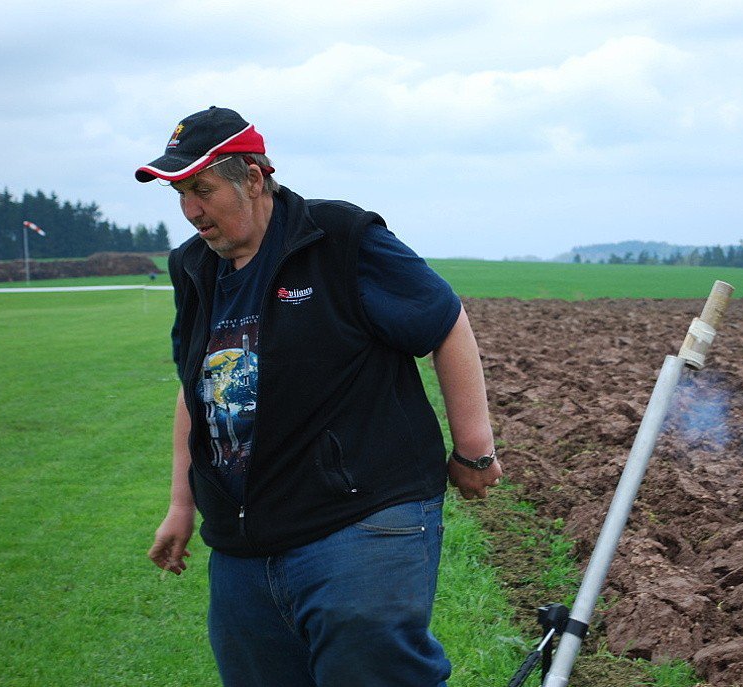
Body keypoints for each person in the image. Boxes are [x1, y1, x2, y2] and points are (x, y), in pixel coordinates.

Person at [140, 106, 502, 687]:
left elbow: (444, 320)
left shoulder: (340, 239)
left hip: (360, 517)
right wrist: (182, 504)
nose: (190, 211)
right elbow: (198, 385)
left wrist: (474, 449)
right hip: (242, 540)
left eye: (202, 190)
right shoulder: (193, 267)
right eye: (180, 193)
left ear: (254, 178)